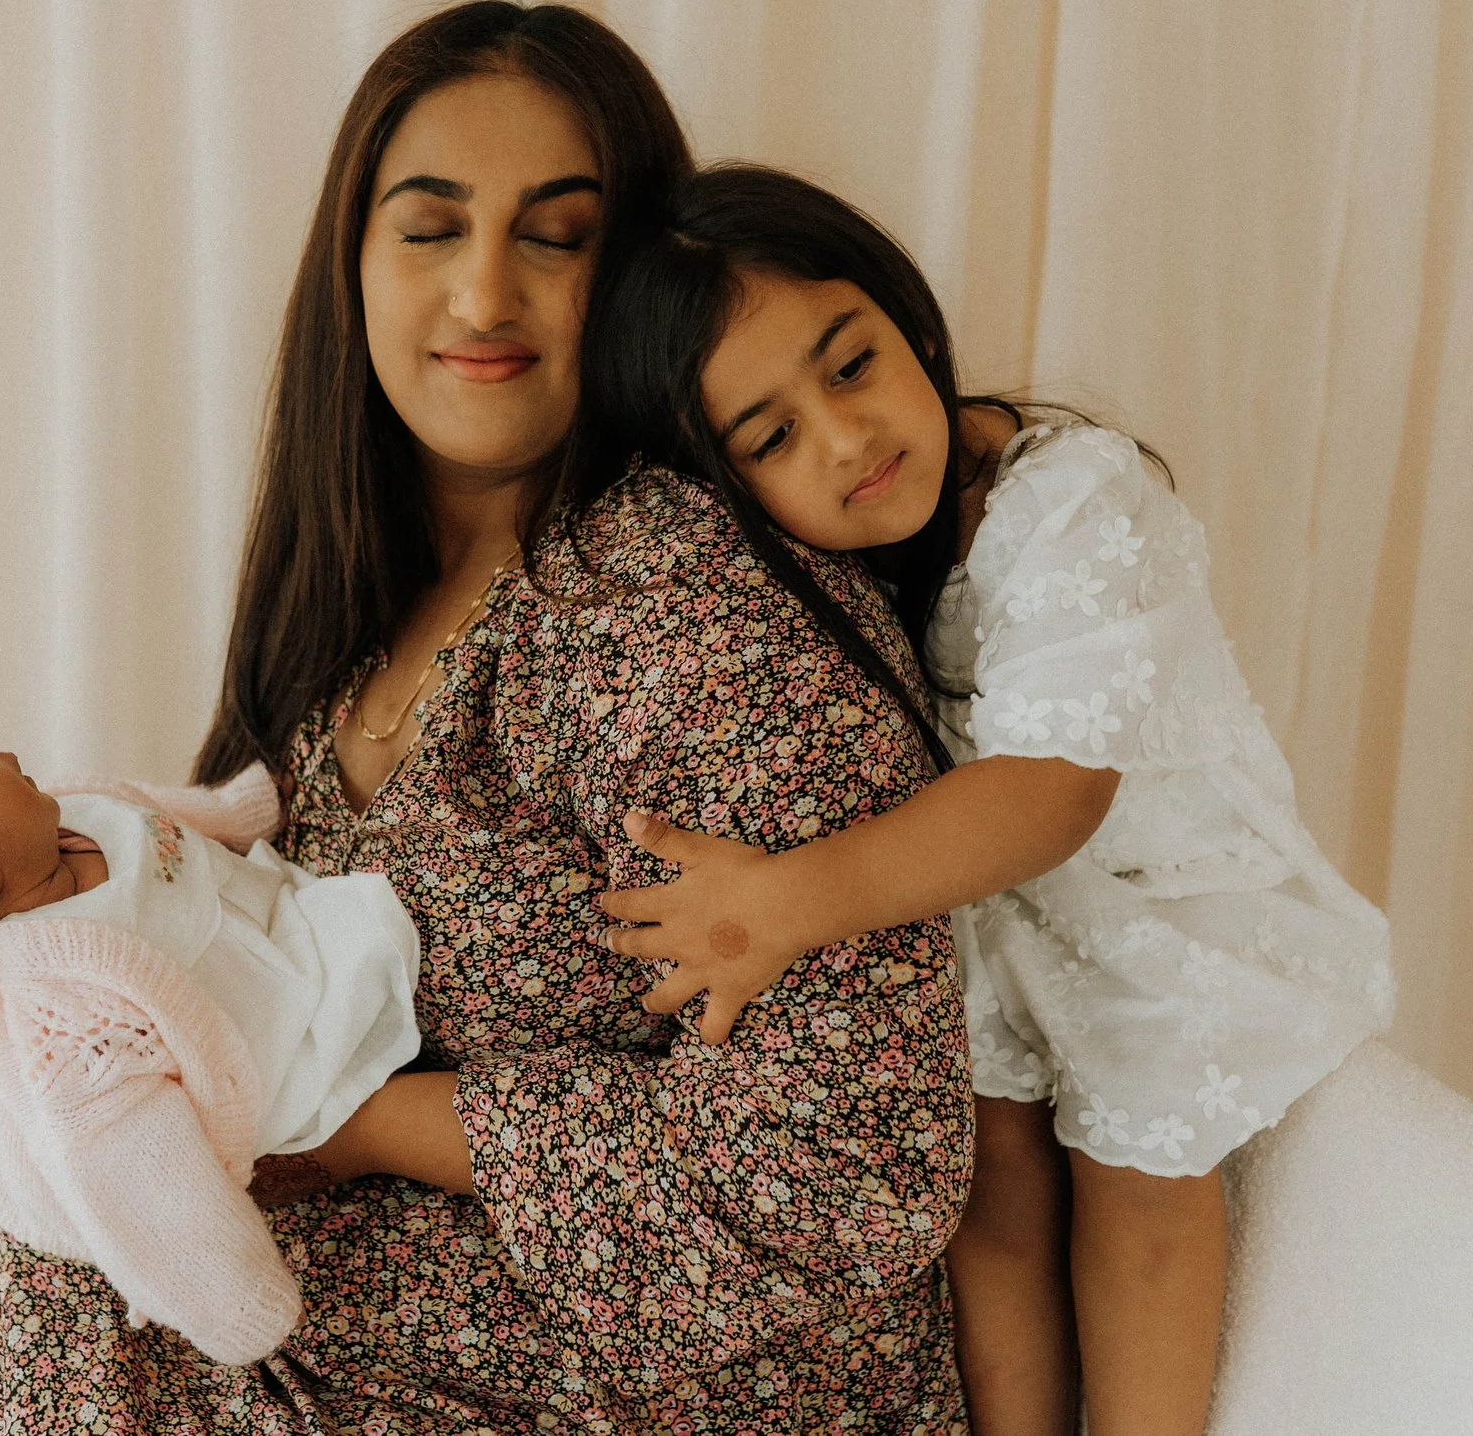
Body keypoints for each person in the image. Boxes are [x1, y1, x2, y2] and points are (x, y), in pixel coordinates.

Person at [0, 1, 979, 1431]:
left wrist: (351, 1122)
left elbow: (857, 1170)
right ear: (357, 260)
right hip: (407, 1252)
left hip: (663, 1342)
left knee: (87, 1259)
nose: (484, 297)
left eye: (558, 235)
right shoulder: (359, 586)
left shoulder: (697, 616)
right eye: (432, 227)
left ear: (640, 277)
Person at [587, 164, 1395, 1436]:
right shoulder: (815, 569)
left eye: (848, 366)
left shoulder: (1072, 497)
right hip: (996, 911)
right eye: (772, 437)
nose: (845, 439)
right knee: (987, 1176)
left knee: (1135, 1170)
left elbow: (1054, 793)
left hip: (1161, 896)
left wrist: (782, 901)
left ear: (907, 320)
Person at [0, 733, 420, 1363]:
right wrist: (236, 1298)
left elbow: (156, 814)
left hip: (283, 917)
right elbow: (134, 1165)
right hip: (284, 1033)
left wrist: (240, 807)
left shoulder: (59, 817)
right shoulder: (59, 1007)